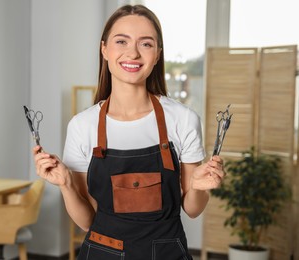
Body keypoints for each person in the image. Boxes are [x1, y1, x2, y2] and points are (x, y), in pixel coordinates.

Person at [33, 4, 225, 260]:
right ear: (104, 49)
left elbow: (192, 209)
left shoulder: (182, 119)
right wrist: (66, 184)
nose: (132, 53)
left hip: (166, 253)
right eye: (121, 41)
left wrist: (200, 188)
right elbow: (87, 221)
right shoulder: (82, 126)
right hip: (101, 252)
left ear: (157, 54)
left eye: (145, 44)